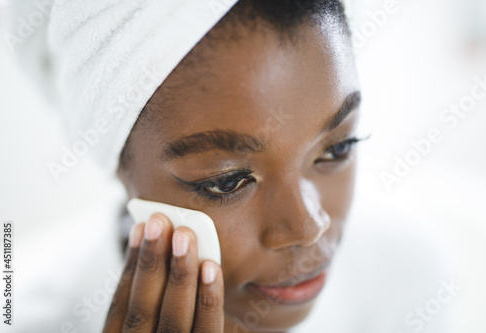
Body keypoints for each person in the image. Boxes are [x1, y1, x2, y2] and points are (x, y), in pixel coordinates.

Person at [106, 1, 363, 332]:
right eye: (228, 182)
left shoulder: (413, 273)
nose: (308, 228)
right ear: (117, 165)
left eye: (338, 148)